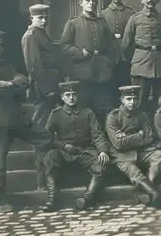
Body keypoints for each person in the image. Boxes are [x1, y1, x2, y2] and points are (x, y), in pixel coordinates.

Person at [0, 31, 52, 212]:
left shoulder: (7, 66)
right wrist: (14, 86)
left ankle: (47, 181)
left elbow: (25, 80)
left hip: (17, 116)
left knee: (45, 138)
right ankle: (0, 201)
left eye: (0, 45)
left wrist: (8, 84)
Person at [41, 81, 111, 212]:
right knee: (50, 157)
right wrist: (62, 145)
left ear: (78, 96)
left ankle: (87, 198)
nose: (71, 98)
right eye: (68, 95)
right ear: (62, 97)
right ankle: (52, 198)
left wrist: (102, 151)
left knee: (101, 163)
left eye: (74, 94)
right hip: (64, 152)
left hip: (85, 151)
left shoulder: (88, 113)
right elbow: (47, 137)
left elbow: (97, 134)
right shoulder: (56, 114)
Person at [60, 0, 119, 126]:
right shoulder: (73, 23)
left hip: (102, 71)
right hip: (83, 71)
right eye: (88, 0)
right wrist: (80, 53)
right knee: (85, 105)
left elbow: (111, 46)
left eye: (93, 0)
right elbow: (64, 45)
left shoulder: (102, 22)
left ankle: (102, 136)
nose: (91, 3)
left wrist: (109, 63)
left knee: (102, 105)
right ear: (81, 3)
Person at [106, 85, 161, 209]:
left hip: (141, 151)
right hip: (121, 155)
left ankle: (147, 188)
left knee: (159, 155)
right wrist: (139, 135)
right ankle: (154, 193)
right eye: (129, 99)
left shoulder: (142, 115)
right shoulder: (113, 117)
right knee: (134, 172)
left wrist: (127, 138)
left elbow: (149, 138)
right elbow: (118, 144)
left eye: (135, 99)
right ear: (122, 100)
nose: (133, 102)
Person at [121, 0, 161, 116]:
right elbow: (126, 45)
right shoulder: (135, 19)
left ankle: (157, 130)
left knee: (159, 101)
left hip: (160, 65)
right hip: (141, 65)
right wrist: (135, 61)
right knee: (139, 100)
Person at [21, 4, 64, 128]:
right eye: (40, 18)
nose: (44, 21)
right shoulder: (31, 36)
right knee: (41, 119)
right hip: (42, 86)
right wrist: (47, 89)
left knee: (50, 120)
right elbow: (34, 66)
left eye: (46, 18)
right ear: (31, 18)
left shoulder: (41, 34)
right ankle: (38, 147)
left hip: (51, 82)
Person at [100, 0, 136, 102]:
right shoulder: (103, 14)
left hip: (126, 54)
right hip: (110, 54)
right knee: (110, 85)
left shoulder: (130, 13)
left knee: (126, 83)